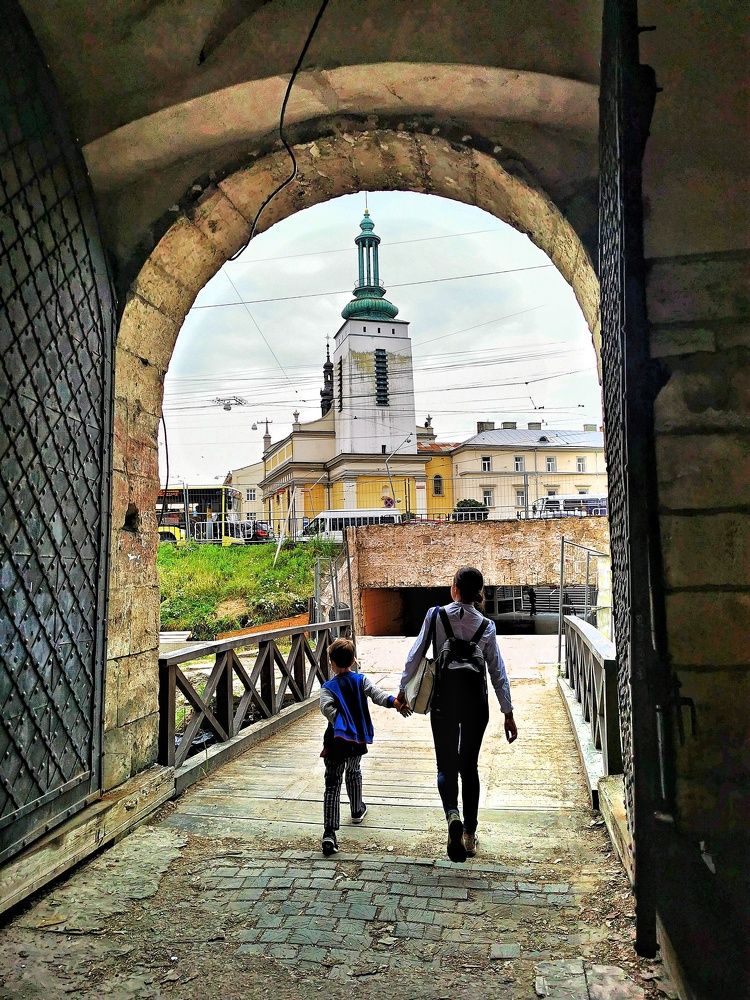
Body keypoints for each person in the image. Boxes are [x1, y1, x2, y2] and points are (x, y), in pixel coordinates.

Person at [400, 567, 518, 863]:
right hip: (476, 704)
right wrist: (507, 712)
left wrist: (403, 689)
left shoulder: (436, 615)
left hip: (444, 701)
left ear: (454, 588)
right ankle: (469, 834)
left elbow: (415, 654)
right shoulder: (487, 626)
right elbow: (498, 671)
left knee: (446, 766)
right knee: (469, 766)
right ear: (480, 593)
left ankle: (452, 814)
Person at [319, 638, 407, 856]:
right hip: (356, 740)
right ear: (353, 661)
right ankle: (357, 809)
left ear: (331, 663)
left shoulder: (328, 688)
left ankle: (329, 833)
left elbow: (326, 708)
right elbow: (377, 695)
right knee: (354, 770)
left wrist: (341, 722)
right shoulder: (361, 681)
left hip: (336, 740)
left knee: (332, 783)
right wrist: (395, 702)